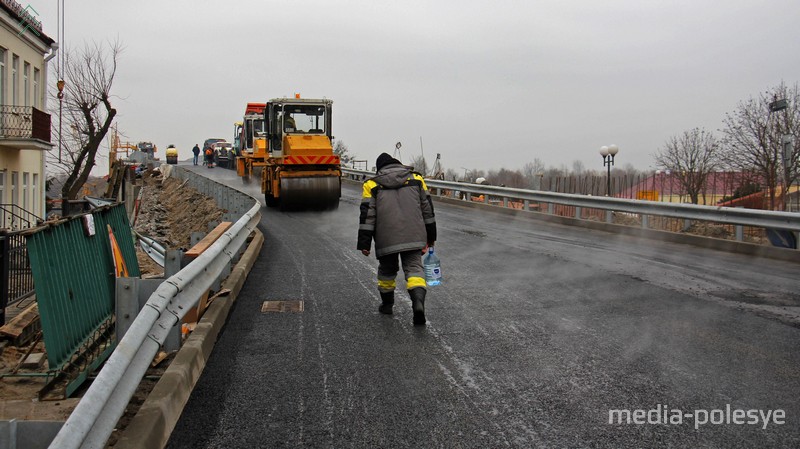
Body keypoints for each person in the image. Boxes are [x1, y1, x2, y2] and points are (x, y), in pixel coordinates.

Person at [357, 153, 436, 325]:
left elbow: (367, 216)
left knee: (387, 270)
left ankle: (387, 305)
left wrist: (364, 243)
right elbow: (428, 210)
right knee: (414, 269)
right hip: (414, 234)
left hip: (386, 236)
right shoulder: (416, 179)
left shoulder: (371, 184)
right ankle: (418, 303)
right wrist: (431, 237)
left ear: (380, 169)